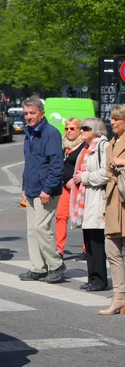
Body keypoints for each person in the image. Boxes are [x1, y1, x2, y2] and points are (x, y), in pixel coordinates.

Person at [18, 96, 66, 283]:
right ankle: (38, 267)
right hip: (31, 188)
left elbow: (56, 166)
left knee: (41, 227)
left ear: (42, 113)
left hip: (46, 190)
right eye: (26, 113)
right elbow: (29, 164)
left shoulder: (50, 133)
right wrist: (24, 186)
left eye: (32, 113)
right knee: (32, 230)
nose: (28, 117)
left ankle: (56, 264)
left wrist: (47, 189)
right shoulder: (29, 133)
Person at [70, 118, 109, 291]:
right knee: (88, 240)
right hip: (86, 197)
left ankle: (100, 280)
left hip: (97, 197)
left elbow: (106, 173)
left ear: (95, 130)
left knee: (97, 240)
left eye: (85, 128)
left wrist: (84, 177)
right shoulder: (86, 148)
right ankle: (92, 277)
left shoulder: (103, 146)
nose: (82, 131)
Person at [100, 104, 125, 314]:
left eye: (117, 119)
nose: (112, 122)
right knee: (112, 251)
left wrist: (123, 162)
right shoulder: (111, 143)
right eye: (111, 118)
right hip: (113, 200)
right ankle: (119, 297)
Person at [55, 118, 85, 259]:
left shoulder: (84, 146)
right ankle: (59, 249)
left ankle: (87, 248)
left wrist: (75, 179)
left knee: (83, 218)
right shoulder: (64, 146)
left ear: (79, 130)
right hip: (64, 188)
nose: (69, 131)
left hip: (79, 187)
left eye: (72, 128)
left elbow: (86, 166)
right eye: (67, 128)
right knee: (61, 216)